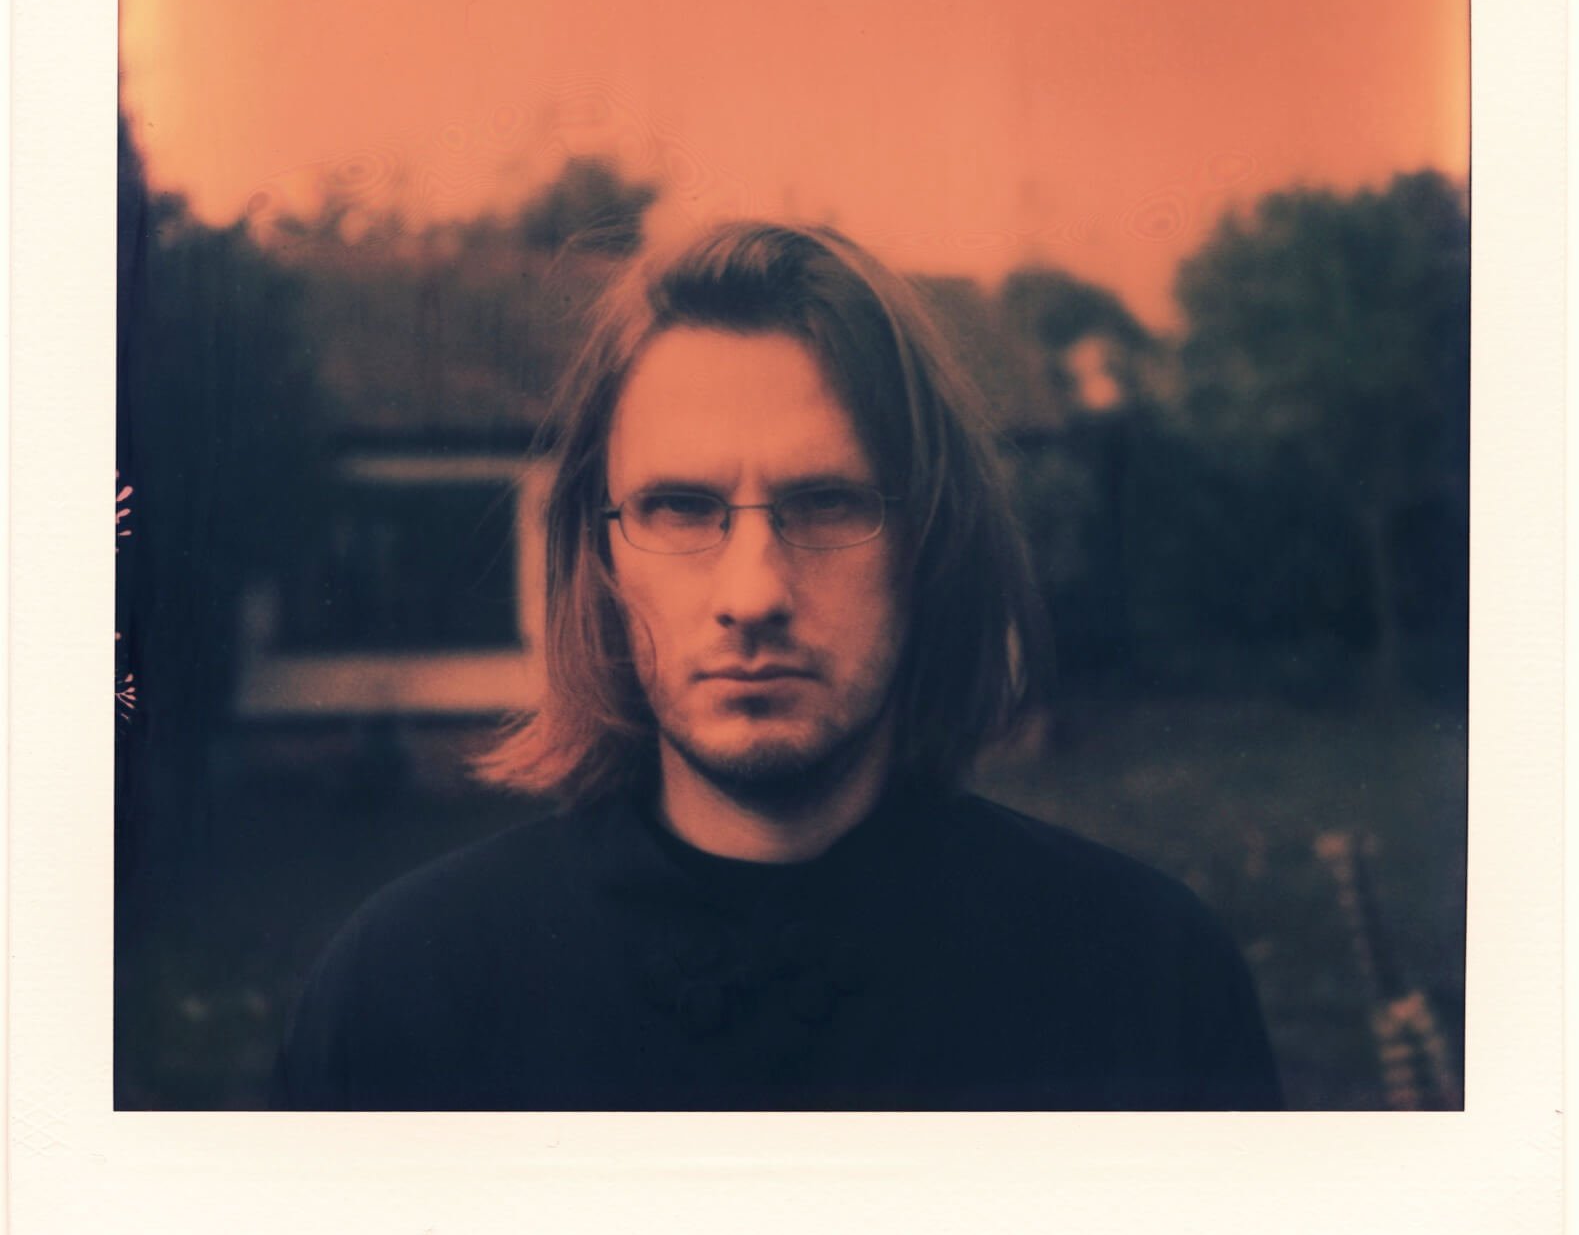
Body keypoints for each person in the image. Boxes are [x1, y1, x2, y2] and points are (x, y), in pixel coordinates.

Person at [277, 221, 1281, 1110]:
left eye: (828, 503)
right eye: (681, 508)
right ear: (602, 555)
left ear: (928, 542)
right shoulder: (401, 1003)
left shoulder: (1146, 987)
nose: (752, 592)